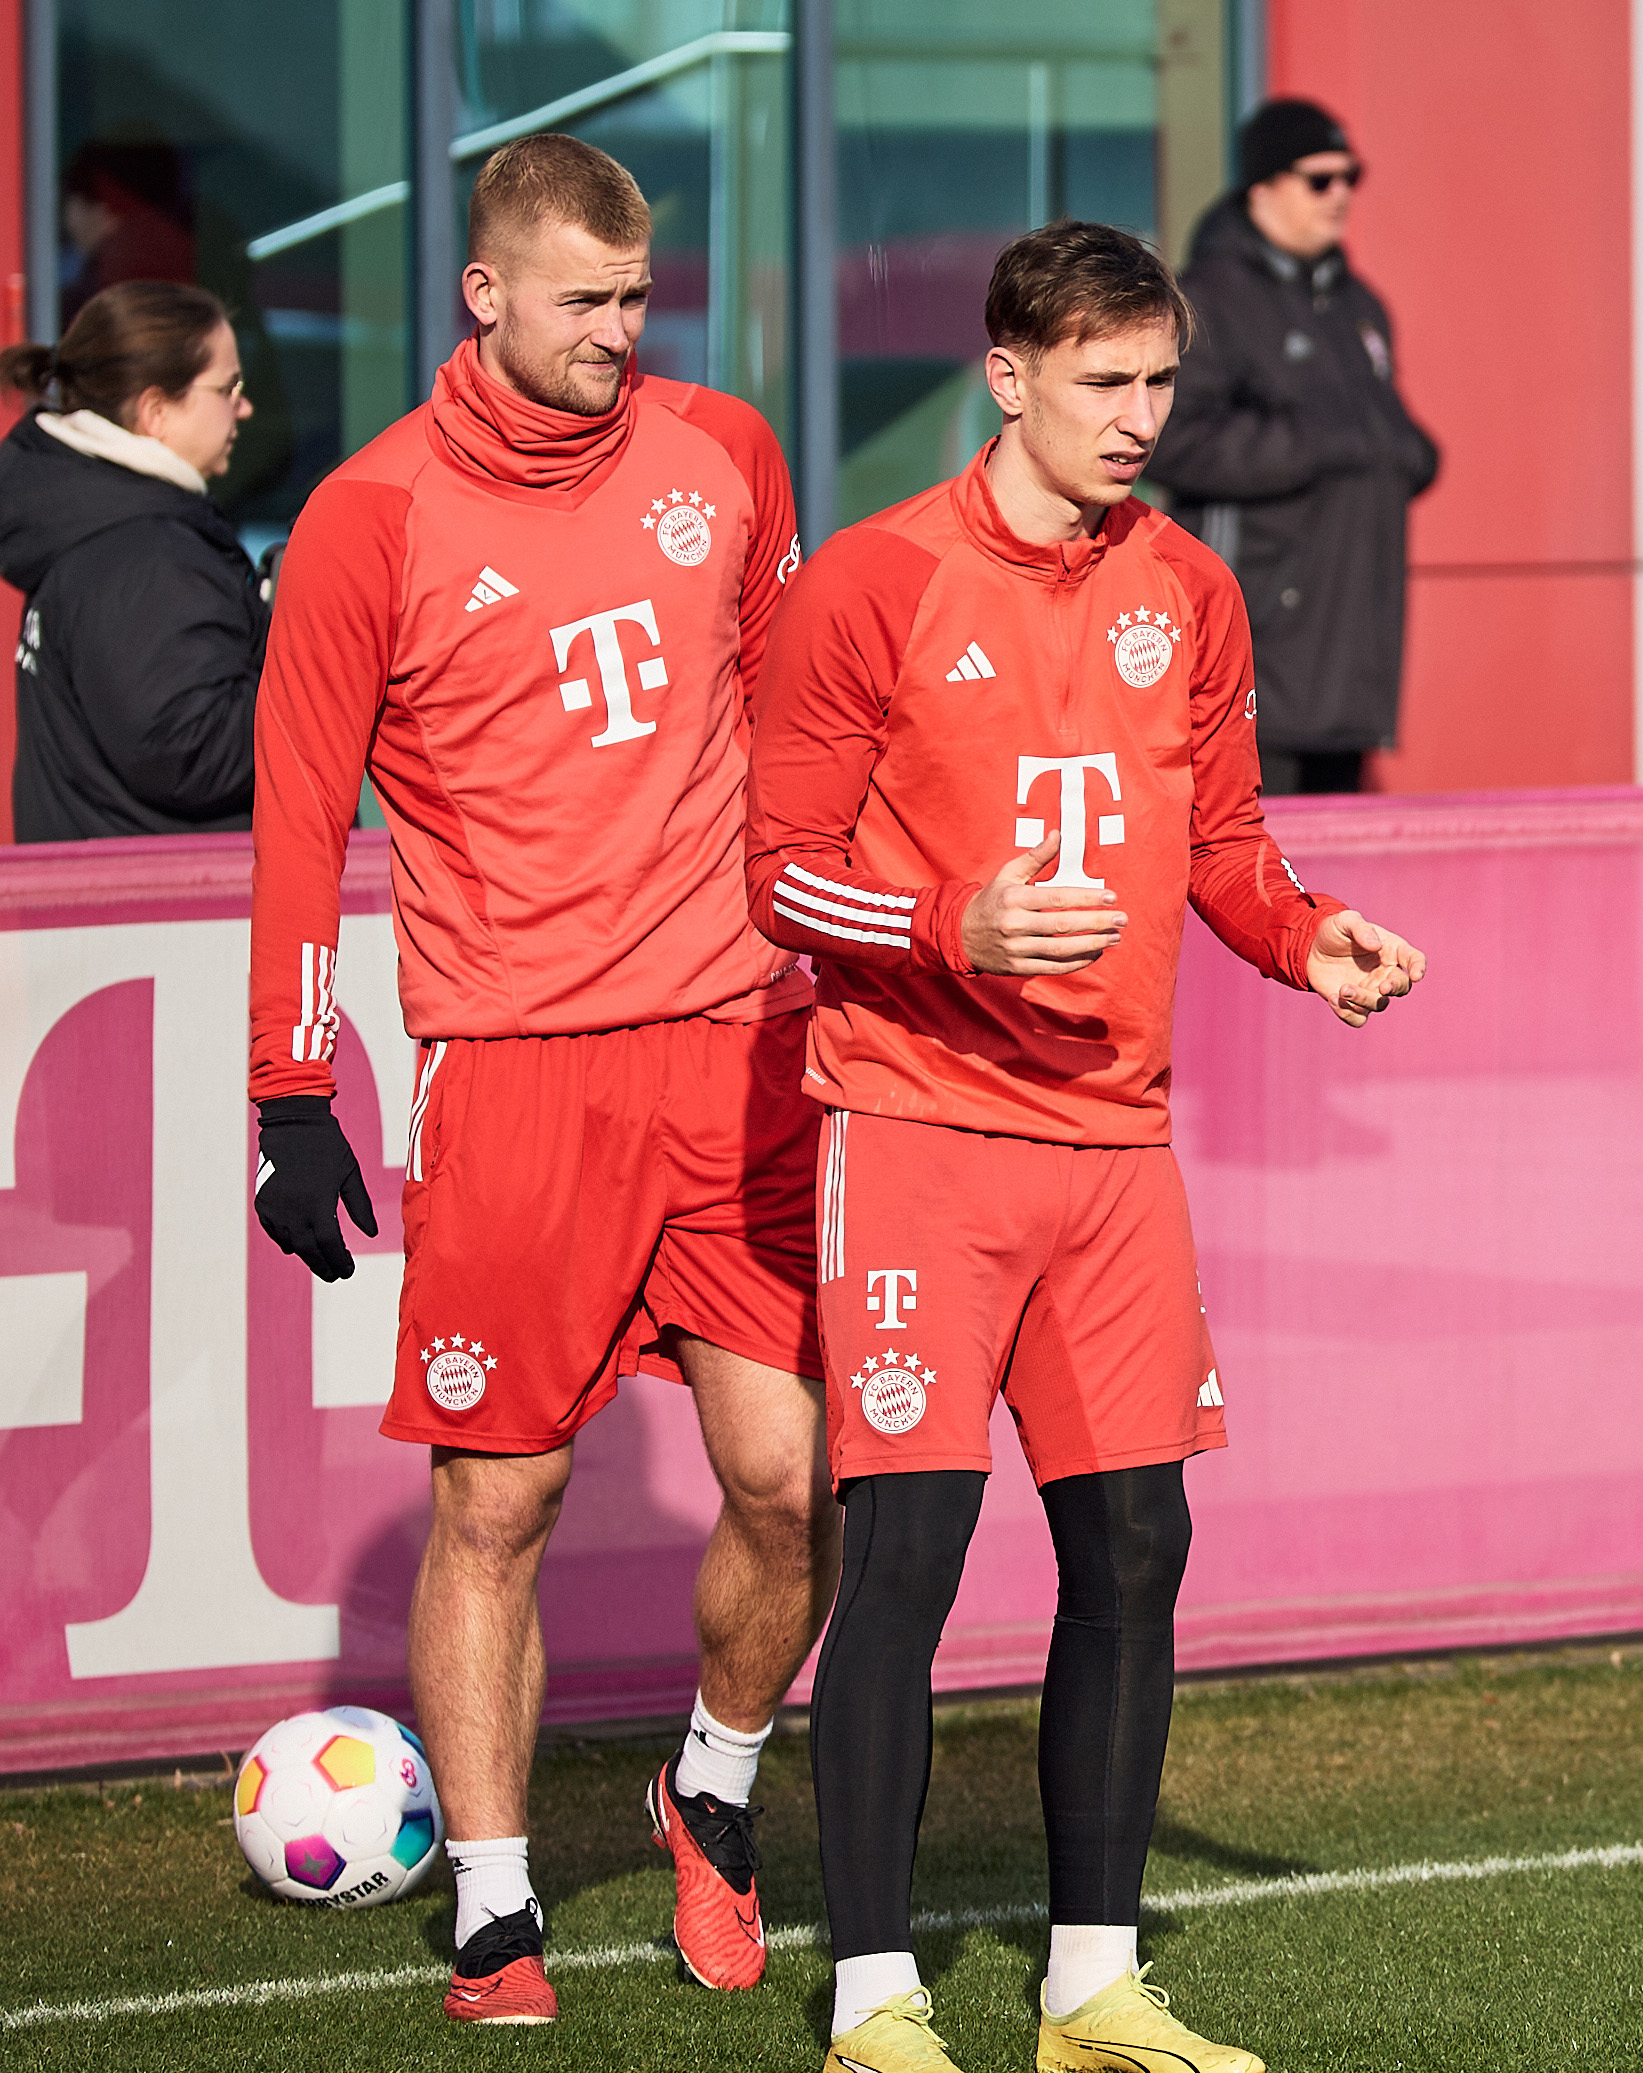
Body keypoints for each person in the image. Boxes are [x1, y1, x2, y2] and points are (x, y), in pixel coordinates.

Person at [748, 220, 1421, 2073]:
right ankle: (873, 1998)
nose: (1141, 417)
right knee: (911, 1550)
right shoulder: (871, 584)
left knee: (1137, 1546)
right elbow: (779, 870)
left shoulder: (1189, 589)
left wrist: (1309, 937)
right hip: (917, 1127)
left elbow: (1221, 843)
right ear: (1011, 374)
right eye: (1106, 382)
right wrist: (955, 924)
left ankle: (1089, 1987)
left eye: (1158, 381)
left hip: (1114, 1150)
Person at [245, 133, 834, 2025]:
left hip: (739, 1044)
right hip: (515, 1074)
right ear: (484, 293)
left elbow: (802, 720)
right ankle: (494, 1908)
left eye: (637, 296)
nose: (618, 332)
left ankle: (712, 1791)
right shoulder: (369, 513)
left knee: (791, 1476)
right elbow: (292, 817)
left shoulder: (726, 451)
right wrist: (289, 1081)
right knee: (503, 1504)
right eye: (583, 300)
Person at [1152, 96, 1440, 796]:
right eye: (1320, 179)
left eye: (1351, 177)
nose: (1340, 195)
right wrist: (1317, 443)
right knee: (1246, 863)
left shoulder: (1358, 306)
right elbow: (1171, 439)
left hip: (1352, 655)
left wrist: (1407, 454)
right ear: (1264, 187)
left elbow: (1389, 436)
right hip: (1259, 650)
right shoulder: (1209, 299)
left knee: (1327, 883)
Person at [0, 280, 264, 839]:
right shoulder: (144, 551)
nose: (244, 407)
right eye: (228, 386)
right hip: (173, 913)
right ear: (156, 411)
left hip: (106, 909)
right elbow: (187, 752)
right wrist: (318, 666)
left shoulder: (97, 521)